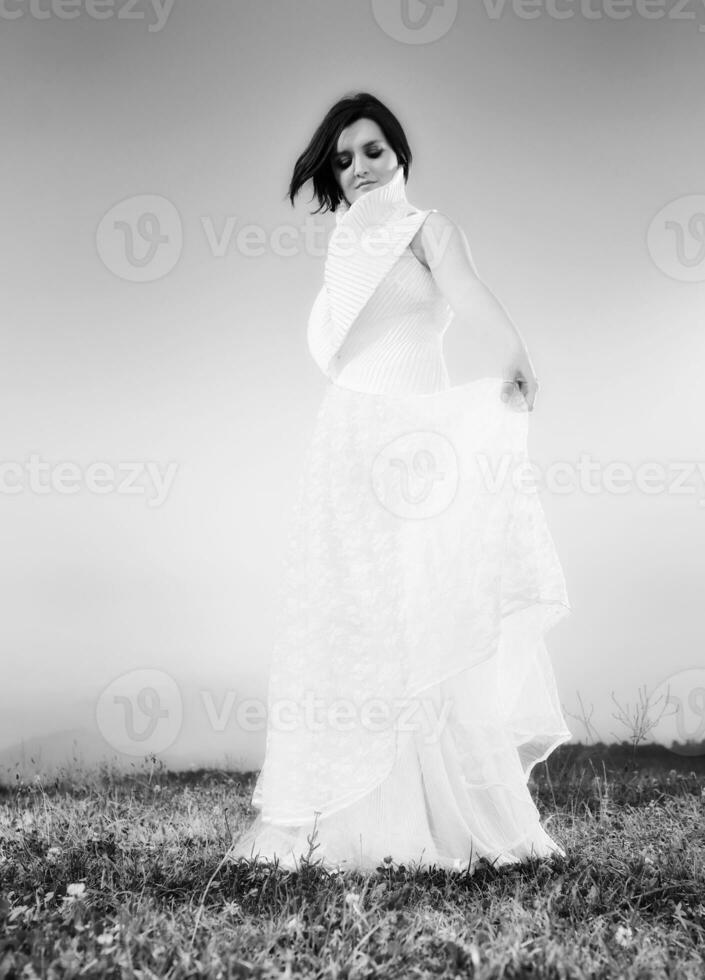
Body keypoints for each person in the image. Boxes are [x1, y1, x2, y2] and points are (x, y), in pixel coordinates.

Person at [228, 92, 572, 874]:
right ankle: (343, 813)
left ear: (400, 154)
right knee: (351, 615)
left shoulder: (427, 229)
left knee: (428, 608)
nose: (357, 168)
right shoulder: (344, 247)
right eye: (342, 158)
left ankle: (440, 812)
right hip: (346, 441)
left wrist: (515, 353)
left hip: (417, 445)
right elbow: (346, 350)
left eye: (372, 151)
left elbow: (469, 293)